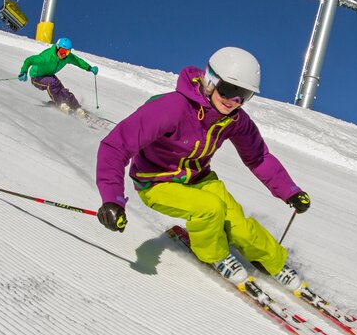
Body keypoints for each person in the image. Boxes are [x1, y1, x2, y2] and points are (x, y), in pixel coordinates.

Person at [94, 46, 312, 287]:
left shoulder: (235, 120)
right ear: (210, 80)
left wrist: (290, 191)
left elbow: (258, 157)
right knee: (210, 208)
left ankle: (274, 261)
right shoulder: (172, 108)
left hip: (200, 179)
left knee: (241, 227)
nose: (234, 101)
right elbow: (116, 146)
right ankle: (216, 256)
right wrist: (112, 198)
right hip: (156, 182)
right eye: (229, 90)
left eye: (244, 95)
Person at [18, 37, 99, 118]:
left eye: (66, 52)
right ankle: (60, 103)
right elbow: (29, 60)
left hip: (49, 75)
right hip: (37, 77)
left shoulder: (67, 57)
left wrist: (89, 68)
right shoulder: (47, 57)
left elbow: (78, 61)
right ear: (57, 48)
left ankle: (76, 107)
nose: (64, 54)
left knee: (63, 90)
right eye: (62, 51)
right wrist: (23, 71)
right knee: (52, 83)